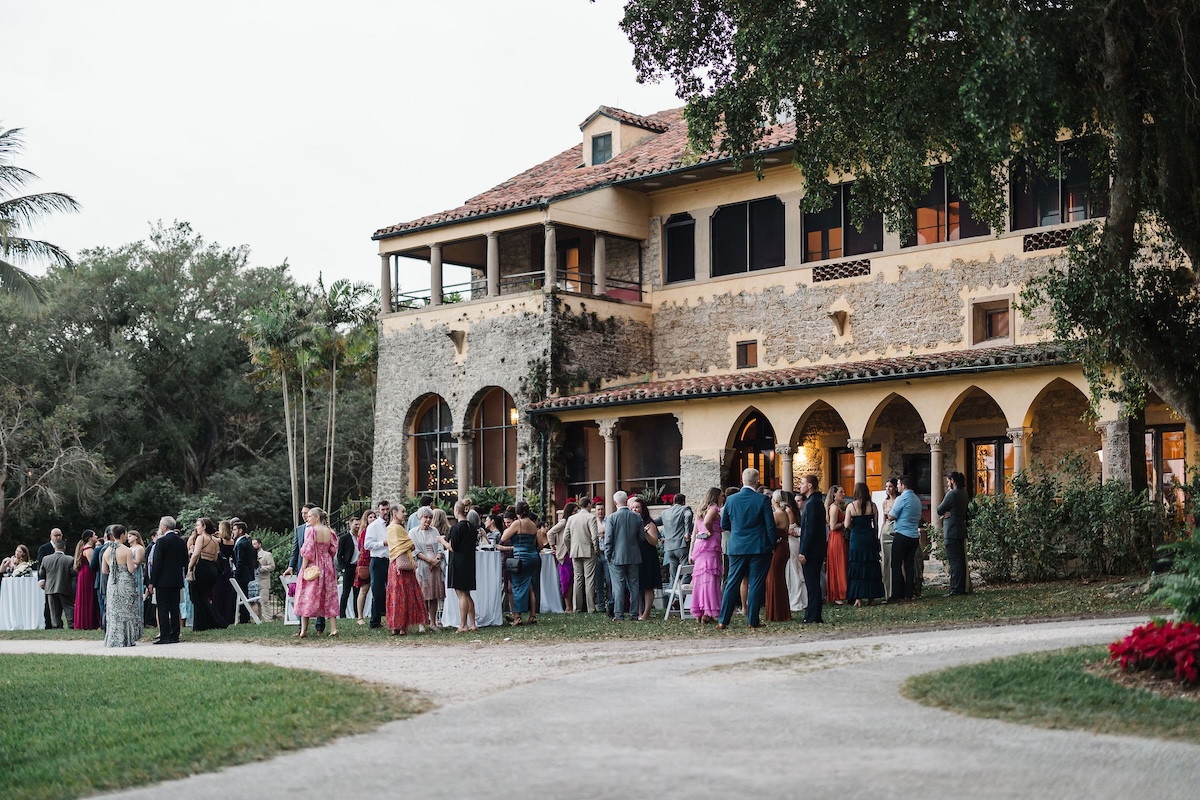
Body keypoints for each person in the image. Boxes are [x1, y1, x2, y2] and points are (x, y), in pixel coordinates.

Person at [717, 468, 776, 630]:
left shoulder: (731, 500)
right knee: (756, 584)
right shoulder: (762, 500)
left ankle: (723, 620)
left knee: (732, 583)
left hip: (737, 547)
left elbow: (724, 525)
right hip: (759, 546)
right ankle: (752, 620)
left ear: (742, 480)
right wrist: (772, 544)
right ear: (757, 481)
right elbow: (770, 525)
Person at [294, 507, 339, 638]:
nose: (307, 519)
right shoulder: (330, 531)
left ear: (316, 517)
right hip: (327, 565)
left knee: (307, 595)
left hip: (315, 564)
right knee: (329, 595)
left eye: (309, 516)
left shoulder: (312, 531)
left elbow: (307, 550)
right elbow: (333, 550)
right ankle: (334, 628)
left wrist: (303, 567)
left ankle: (303, 629)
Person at [501, 501, 544, 626]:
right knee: (531, 587)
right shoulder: (533, 524)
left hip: (520, 558)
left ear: (517, 512)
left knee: (517, 586)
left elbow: (504, 538)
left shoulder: (517, 523)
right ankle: (533, 615)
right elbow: (540, 545)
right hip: (533, 558)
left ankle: (517, 616)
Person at [386, 506, 427, 635]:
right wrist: (409, 544)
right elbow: (408, 544)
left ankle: (396, 626)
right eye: (402, 511)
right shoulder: (397, 528)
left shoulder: (390, 528)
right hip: (402, 564)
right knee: (404, 595)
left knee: (396, 594)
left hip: (394, 565)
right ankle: (403, 626)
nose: (405, 514)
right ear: (394, 513)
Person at [284, 502, 323, 633]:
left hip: (317, 568)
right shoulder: (299, 529)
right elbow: (295, 551)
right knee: (302, 597)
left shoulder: (321, 529)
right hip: (303, 568)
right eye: (302, 513)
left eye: (306, 513)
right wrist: (291, 566)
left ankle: (319, 627)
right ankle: (302, 627)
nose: (304, 516)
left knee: (318, 596)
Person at [603, 491, 643, 622]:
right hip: (634, 555)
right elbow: (642, 538)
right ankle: (634, 614)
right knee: (634, 586)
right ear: (627, 501)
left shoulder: (611, 518)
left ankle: (619, 614)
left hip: (616, 556)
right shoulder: (637, 517)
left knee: (618, 586)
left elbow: (608, 539)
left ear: (615, 502)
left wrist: (608, 555)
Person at [845, 482, 886, 606]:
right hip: (869, 537)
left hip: (856, 538)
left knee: (857, 566)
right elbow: (876, 524)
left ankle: (858, 597)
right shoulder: (873, 506)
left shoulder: (851, 506)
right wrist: (875, 537)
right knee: (871, 567)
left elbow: (846, 524)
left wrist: (854, 525)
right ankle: (871, 597)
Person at [147, 517, 187, 644]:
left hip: (163, 580)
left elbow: (157, 563)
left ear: (164, 527)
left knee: (163, 607)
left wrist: (152, 581)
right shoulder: (181, 541)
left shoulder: (161, 541)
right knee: (175, 607)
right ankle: (175, 634)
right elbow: (185, 561)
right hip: (176, 578)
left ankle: (165, 635)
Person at [689, 487, 724, 624]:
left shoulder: (700, 510)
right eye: (721, 496)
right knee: (710, 578)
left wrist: (691, 552)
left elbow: (694, 533)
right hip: (710, 545)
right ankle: (709, 611)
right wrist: (710, 531)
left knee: (701, 579)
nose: (723, 498)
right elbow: (708, 522)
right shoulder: (713, 508)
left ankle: (702, 611)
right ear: (715, 496)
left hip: (700, 545)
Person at [187, 517, 229, 632]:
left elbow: (195, 555)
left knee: (196, 596)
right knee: (203, 597)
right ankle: (209, 622)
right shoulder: (215, 540)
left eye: (198, 525)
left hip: (202, 568)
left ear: (204, 526)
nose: (196, 528)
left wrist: (190, 567)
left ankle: (207, 623)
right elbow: (216, 557)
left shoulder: (201, 538)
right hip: (212, 569)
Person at [102, 526, 141, 647]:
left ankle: (114, 638)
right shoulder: (127, 551)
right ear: (123, 534)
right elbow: (131, 569)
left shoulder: (107, 551)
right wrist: (135, 566)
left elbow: (104, 570)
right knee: (127, 610)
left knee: (114, 611)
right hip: (125, 582)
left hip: (112, 583)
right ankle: (127, 639)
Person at [888, 474, 923, 601]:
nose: (897, 487)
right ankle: (909, 592)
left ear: (903, 485)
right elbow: (919, 517)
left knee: (896, 564)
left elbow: (892, 515)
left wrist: (888, 513)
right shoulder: (916, 499)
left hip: (902, 534)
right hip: (914, 535)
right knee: (909, 564)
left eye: (898, 484)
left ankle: (897, 593)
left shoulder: (901, 499)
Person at [798, 474, 828, 624]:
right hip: (816, 549)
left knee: (812, 583)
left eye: (802, 483)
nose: (800, 486)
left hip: (812, 551)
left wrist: (803, 551)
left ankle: (813, 615)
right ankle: (813, 613)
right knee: (813, 582)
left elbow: (809, 530)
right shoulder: (815, 502)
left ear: (810, 485)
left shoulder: (812, 504)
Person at [411, 507, 446, 628]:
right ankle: (422, 622)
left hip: (435, 566)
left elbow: (440, 547)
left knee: (434, 595)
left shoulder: (434, 530)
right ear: (420, 518)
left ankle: (433, 622)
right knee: (423, 595)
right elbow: (414, 551)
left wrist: (437, 559)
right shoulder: (413, 532)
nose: (428, 520)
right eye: (425, 517)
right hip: (422, 567)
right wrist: (429, 560)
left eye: (430, 517)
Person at [446, 500, 478, 632]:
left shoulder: (456, 528)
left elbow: (452, 547)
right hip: (469, 561)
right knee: (468, 594)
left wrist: (442, 540)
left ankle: (463, 624)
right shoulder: (472, 527)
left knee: (461, 595)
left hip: (458, 562)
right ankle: (473, 624)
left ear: (457, 511)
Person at [565, 498, 600, 613]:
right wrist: (596, 550)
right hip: (588, 551)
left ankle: (577, 607)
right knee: (589, 579)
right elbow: (594, 536)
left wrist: (570, 548)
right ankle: (590, 607)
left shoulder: (571, 518)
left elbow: (566, 537)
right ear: (588, 505)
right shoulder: (591, 517)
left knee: (577, 579)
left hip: (575, 551)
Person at [628, 496, 660, 621]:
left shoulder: (649, 523)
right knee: (638, 586)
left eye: (637, 507)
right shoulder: (632, 522)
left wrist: (644, 532)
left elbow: (654, 542)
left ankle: (646, 613)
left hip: (648, 557)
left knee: (648, 586)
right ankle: (639, 612)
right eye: (633, 508)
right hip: (636, 557)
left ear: (642, 509)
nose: (635, 510)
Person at [763, 490, 793, 622]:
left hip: (778, 548)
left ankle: (777, 613)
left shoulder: (778, 515)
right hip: (783, 547)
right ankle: (780, 611)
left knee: (774, 578)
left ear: (775, 500)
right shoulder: (785, 513)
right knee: (778, 578)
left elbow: (769, 530)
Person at [653, 493, 693, 591]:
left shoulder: (665, 513)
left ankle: (672, 598)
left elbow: (652, 522)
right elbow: (688, 516)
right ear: (683, 501)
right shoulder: (685, 509)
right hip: (681, 545)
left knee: (673, 575)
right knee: (687, 571)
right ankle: (679, 596)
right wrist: (687, 532)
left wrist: (659, 537)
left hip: (669, 547)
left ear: (673, 501)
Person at [939, 471, 970, 596]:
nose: (947, 484)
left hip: (951, 531)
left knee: (955, 561)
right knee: (960, 561)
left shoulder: (951, 494)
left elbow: (939, 509)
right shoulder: (964, 493)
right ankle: (961, 586)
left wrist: (945, 511)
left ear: (953, 481)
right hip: (960, 529)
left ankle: (956, 589)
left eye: (948, 481)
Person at [363, 500, 391, 629]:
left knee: (391, 590)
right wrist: (382, 543)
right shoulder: (373, 526)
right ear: (378, 510)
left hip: (390, 560)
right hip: (378, 560)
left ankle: (390, 618)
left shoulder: (392, 525)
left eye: (387, 509)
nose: (386, 512)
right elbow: (367, 545)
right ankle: (375, 621)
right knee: (378, 591)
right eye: (383, 509)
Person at [38, 539, 75, 628]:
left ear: (54, 547)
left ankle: (56, 626)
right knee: (68, 607)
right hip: (65, 587)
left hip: (50, 587)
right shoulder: (70, 559)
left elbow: (41, 573)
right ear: (64, 548)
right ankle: (71, 624)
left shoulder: (46, 559)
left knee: (54, 610)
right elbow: (73, 573)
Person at [546, 504, 574, 612]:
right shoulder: (563, 522)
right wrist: (553, 546)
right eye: (574, 511)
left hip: (570, 552)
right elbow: (550, 532)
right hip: (564, 553)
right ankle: (568, 606)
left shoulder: (571, 521)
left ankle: (570, 605)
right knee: (566, 579)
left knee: (571, 579)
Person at [36, 528, 64, 629]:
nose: (58, 537)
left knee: (61, 603)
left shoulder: (63, 547)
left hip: (61, 578)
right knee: (49, 603)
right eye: (56, 535)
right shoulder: (44, 548)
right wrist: (41, 579)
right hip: (49, 580)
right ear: (51, 536)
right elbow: (40, 565)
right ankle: (48, 624)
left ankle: (59, 623)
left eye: (59, 535)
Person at [73, 531, 101, 630]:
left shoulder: (85, 548)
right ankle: (89, 622)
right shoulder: (89, 549)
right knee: (89, 596)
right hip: (88, 574)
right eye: (94, 535)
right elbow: (93, 564)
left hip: (84, 573)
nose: (96, 536)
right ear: (90, 538)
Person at [211, 520, 237, 626]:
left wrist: (213, 533)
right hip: (228, 568)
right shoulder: (233, 541)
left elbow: (208, 537)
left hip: (220, 568)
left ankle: (218, 615)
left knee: (218, 593)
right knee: (228, 593)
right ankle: (228, 616)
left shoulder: (219, 541)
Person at [825, 485, 848, 605]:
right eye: (841, 492)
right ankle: (838, 593)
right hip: (836, 537)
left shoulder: (837, 507)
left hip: (838, 537)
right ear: (834, 494)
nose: (843, 494)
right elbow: (833, 526)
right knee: (839, 563)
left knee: (841, 563)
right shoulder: (834, 508)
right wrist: (845, 522)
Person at [231, 519, 256, 623]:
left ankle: (244, 617)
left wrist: (236, 573)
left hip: (242, 573)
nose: (233, 531)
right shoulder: (247, 541)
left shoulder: (241, 543)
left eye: (235, 529)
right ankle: (244, 617)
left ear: (240, 530)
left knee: (242, 595)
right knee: (243, 594)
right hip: (246, 573)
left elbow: (241, 560)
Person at [353, 509, 375, 624]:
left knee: (376, 590)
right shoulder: (364, 532)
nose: (373, 519)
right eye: (370, 517)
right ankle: (360, 617)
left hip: (375, 560)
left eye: (374, 517)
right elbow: (362, 548)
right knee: (364, 589)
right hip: (365, 562)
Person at [880, 478, 899, 599]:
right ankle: (887, 590)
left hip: (896, 529)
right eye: (886, 487)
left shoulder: (898, 500)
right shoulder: (884, 502)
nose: (888, 489)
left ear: (895, 488)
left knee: (895, 561)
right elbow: (883, 520)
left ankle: (897, 589)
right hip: (886, 530)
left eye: (890, 486)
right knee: (885, 561)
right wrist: (880, 533)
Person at [337, 517, 359, 618]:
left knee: (357, 592)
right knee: (346, 592)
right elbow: (339, 554)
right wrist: (343, 567)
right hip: (348, 567)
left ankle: (357, 613)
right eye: (356, 524)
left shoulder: (360, 537)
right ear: (350, 524)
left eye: (359, 524)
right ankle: (342, 614)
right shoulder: (344, 538)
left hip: (358, 567)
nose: (358, 526)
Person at [126, 530, 147, 624]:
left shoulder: (139, 548)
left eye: (130, 536)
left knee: (137, 595)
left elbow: (138, 561)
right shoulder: (129, 549)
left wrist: (128, 558)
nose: (128, 538)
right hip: (128, 573)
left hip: (136, 573)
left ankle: (138, 620)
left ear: (136, 537)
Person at [253, 537, 276, 620]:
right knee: (256, 602)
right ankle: (259, 619)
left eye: (255, 544)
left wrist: (262, 568)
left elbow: (272, 566)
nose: (253, 546)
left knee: (264, 601)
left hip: (264, 581)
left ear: (259, 544)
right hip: (254, 582)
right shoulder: (251, 555)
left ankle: (268, 619)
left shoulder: (267, 554)